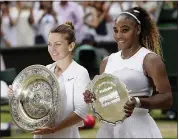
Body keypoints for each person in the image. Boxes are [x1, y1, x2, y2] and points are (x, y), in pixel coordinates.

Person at [83, 7, 173, 138]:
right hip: (109, 130)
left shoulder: (150, 59)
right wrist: (92, 97)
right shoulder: (106, 61)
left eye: (125, 30)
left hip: (138, 128)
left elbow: (167, 98)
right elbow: (106, 99)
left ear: (137, 29)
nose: (119, 35)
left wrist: (138, 102)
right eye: (116, 30)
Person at [8, 22, 90, 138]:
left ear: (71, 46)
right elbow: (29, 99)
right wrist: (16, 92)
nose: (52, 49)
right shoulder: (46, 70)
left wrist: (53, 130)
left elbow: (81, 112)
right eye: (49, 44)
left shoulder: (80, 73)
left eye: (58, 44)